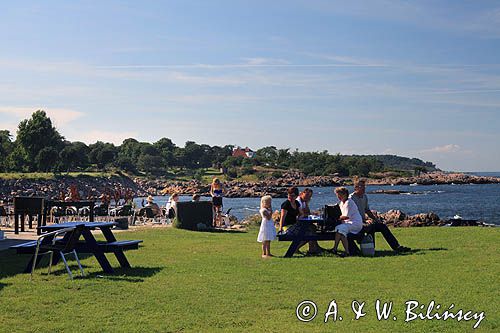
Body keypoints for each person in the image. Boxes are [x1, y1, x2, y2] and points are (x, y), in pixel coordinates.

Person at [349, 179, 411, 253]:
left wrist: (375, 219)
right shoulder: (351, 198)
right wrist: (362, 222)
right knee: (370, 227)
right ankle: (371, 248)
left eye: (364, 186)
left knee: (382, 226)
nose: (363, 188)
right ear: (355, 188)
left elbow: (367, 210)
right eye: (361, 186)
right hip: (356, 223)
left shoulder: (364, 196)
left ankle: (396, 247)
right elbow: (349, 214)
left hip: (363, 222)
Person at [331, 187, 363, 257]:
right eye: (337, 195)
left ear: (345, 194)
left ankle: (335, 248)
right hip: (348, 223)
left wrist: (335, 218)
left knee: (340, 229)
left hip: (355, 223)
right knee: (341, 231)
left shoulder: (349, 202)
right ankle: (346, 251)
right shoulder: (342, 203)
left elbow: (346, 216)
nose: (338, 197)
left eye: (340, 195)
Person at [296, 188, 323, 254]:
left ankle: (313, 248)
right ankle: (297, 248)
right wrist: (306, 213)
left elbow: (307, 212)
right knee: (310, 231)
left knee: (313, 227)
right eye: (307, 195)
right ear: (302, 193)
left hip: (302, 222)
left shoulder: (304, 201)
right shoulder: (298, 201)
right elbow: (301, 215)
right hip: (296, 224)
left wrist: (307, 203)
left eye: (310, 196)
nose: (308, 197)